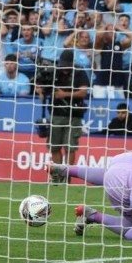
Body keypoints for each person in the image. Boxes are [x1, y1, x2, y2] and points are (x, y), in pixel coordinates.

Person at [43, 50, 89, 184]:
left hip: (74, 115)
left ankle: (66, 176)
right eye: (62, 65)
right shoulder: (53, 72)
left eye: (67, 65)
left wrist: (65, 94)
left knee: (70, 147)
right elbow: (44, 85)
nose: (64, 68)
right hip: (56, 114)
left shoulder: (80, 73)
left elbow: (83, 92)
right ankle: (57, 175)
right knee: (54, 146)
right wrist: (42, 89)